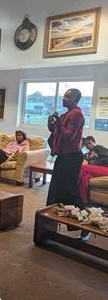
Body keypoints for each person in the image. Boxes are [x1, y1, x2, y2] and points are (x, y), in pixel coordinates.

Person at [46, 89, 87, 240]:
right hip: (64, 156)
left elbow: (68, 136)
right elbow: (55, 131)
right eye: (64, 95)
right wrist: (51, 122)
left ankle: (85, 222)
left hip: (71, 157)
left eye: (67, 97)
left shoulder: (76, 114)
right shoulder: (67, 113)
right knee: (57, 189)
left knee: (71, 190)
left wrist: (59, 121)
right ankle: (51, 222)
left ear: (75, 99)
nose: (63, 98)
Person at [78, 136, 108, 206]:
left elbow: (106, 159)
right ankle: (84, 201)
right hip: (96, 170)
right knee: (86, 176)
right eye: (86, 144)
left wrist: (91, 163)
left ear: (94, 142)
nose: (88, 145)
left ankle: (74, 192)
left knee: (83, 168)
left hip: (106, 168)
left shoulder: (99, 148)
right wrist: (80, 147)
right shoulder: (87, 155)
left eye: (90, 143)